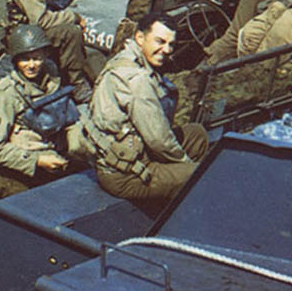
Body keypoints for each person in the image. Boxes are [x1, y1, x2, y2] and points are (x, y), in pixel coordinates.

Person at [83, 11, 209, 208]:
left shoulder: (125, 58)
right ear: (140, 38)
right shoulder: (137, 80)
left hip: (131, 151)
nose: (166, 50)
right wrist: (184, 164)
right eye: (159, 41)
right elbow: (158, 139)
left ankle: (178, 198)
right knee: (200, 175)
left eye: (171, 44)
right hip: (124, 174)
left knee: (197, 134)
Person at [0, 23, 70, 197]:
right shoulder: (6, 93)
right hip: (14, 167)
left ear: (46, 55)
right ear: (15, 60)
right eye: (25, 59)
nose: (32, 65)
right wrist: (38, 160)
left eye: (37, 58)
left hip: (49, 150)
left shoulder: (52, 77)